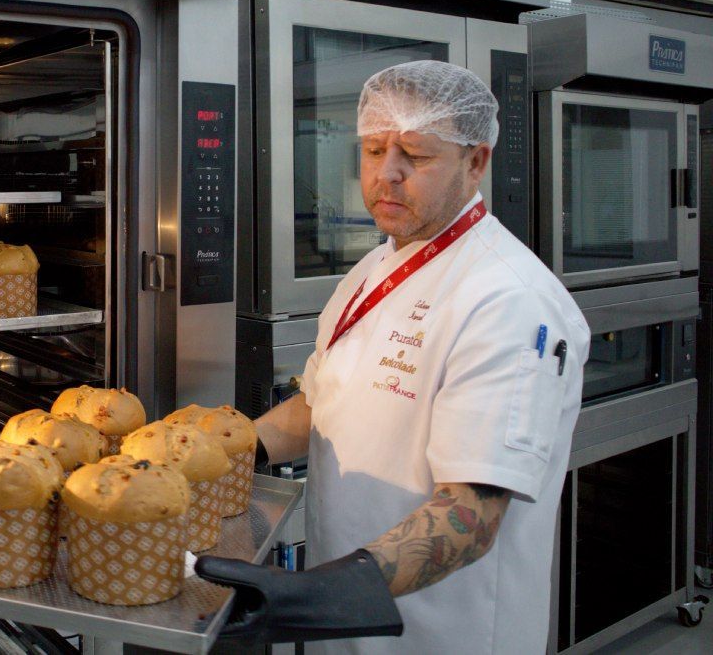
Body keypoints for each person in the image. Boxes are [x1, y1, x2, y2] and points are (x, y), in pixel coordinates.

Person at [197, 61, 588, 652]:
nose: (387, 174)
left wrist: (319, 596)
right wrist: (221, 452)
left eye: (417, 155)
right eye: (374, 150)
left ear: (476, 162)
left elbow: (470, 514)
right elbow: (326, 403)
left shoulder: (508, 301)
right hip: (346, 623)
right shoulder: (375, 266)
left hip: (439, 635)